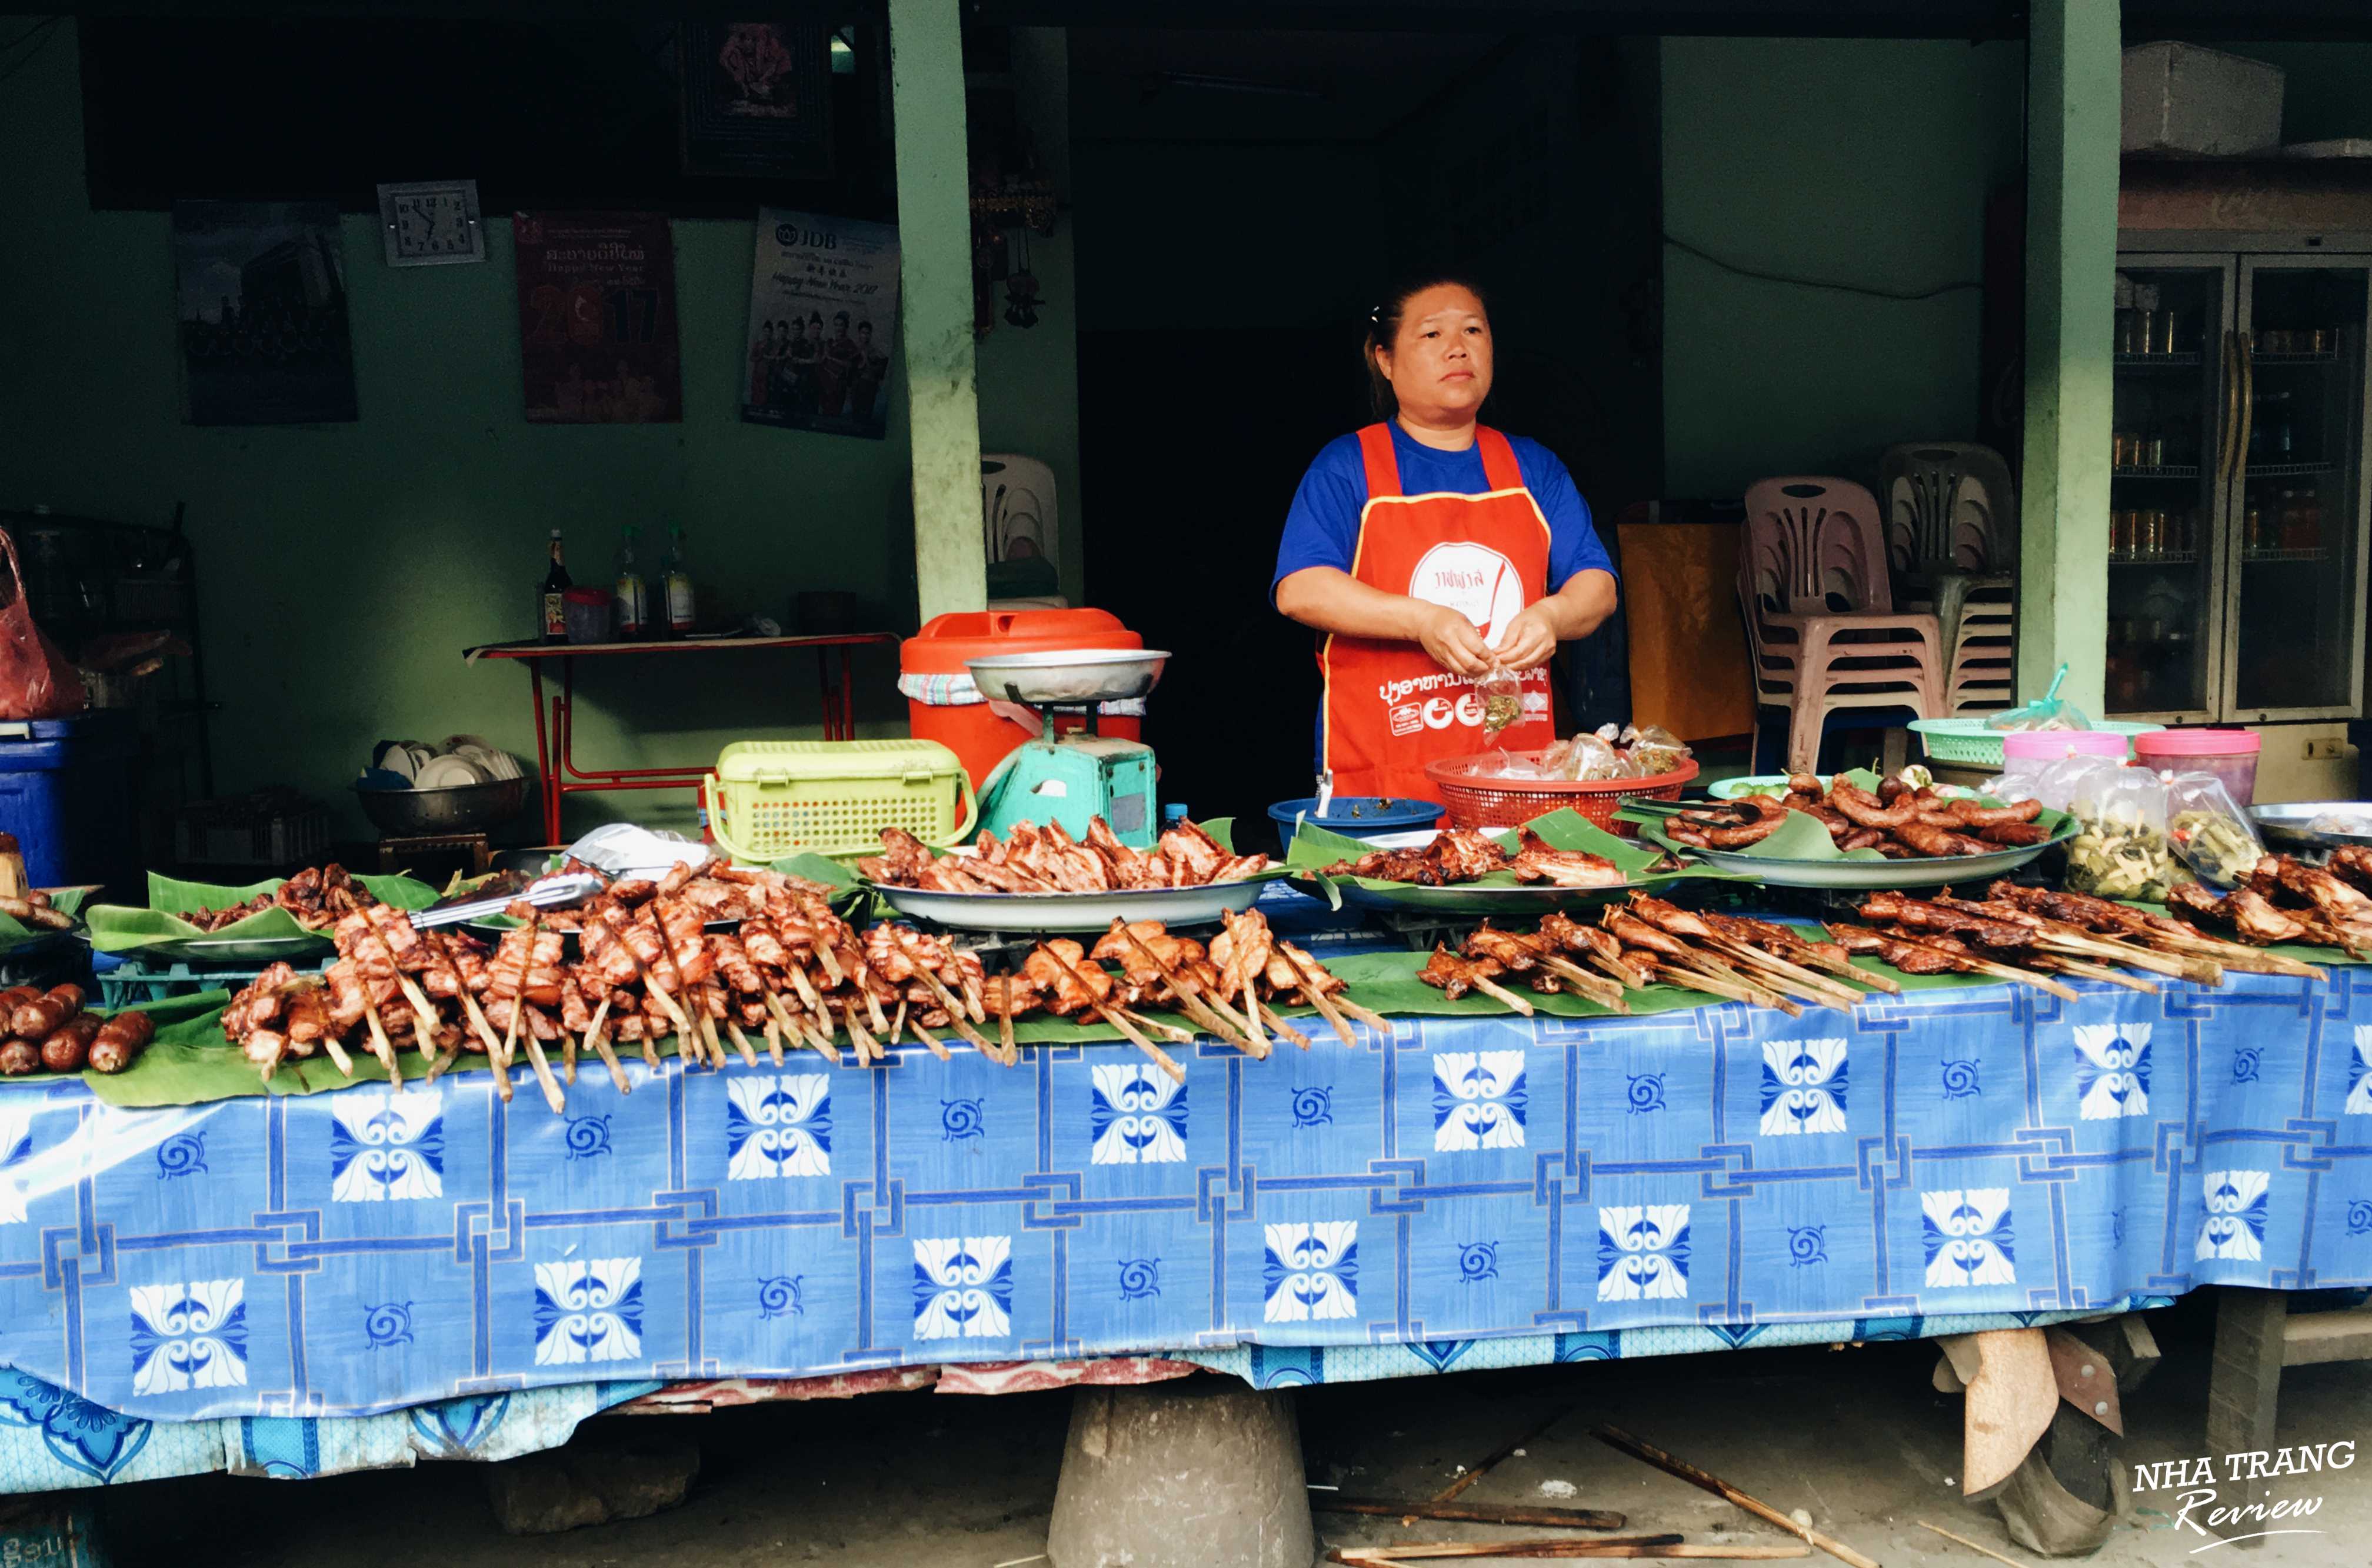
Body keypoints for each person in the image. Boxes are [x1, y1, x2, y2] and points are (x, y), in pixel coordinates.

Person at [1272, 276, 1618, 802]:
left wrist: (1552, 617)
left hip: (1514, 778)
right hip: (1383, 785)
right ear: (1385, 360)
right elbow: (1301, 589)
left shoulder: (1533, 468)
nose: (1458, 348)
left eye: (1474, 330)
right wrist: (1423, 620)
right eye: (1431, 335)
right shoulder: (1349, 466)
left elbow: (1597, 586)